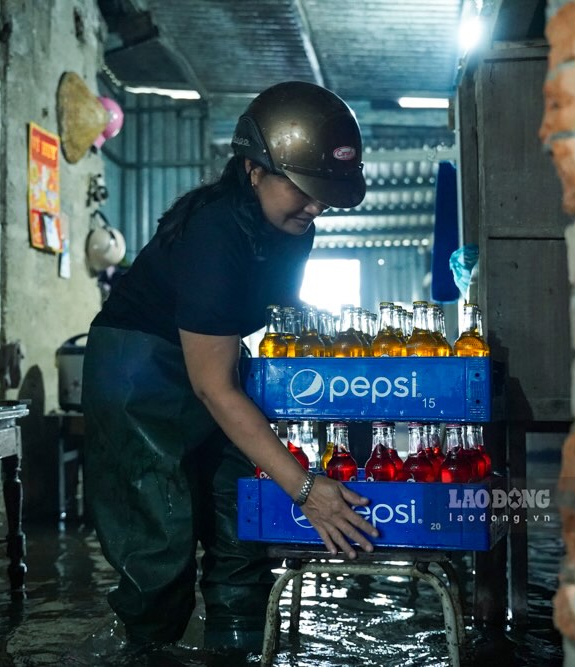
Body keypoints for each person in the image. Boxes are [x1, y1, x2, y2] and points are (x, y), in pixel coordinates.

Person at [81, 81, 379, 655]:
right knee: (161, 536)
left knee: (240, 509)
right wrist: (306, 489)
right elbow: (214, 388)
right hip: (138, 375)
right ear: (253, 170)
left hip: (210, 363)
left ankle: (237, 643)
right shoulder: (214, 232)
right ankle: (147, 649)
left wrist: (343, 339)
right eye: (304, 189)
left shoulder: (293, 230)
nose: (315, 206)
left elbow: (279, 306)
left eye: (324, 195)